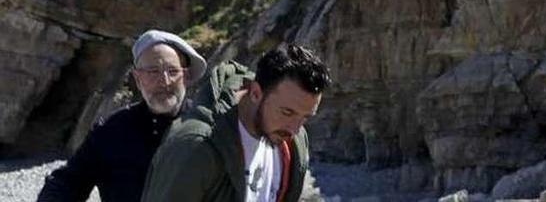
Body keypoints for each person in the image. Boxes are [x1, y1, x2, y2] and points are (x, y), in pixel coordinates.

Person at [141, 43, 332, 202]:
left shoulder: (293, 143)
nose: (295, 128)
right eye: (287, 112)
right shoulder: (195, 146)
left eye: (306, 116)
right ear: (256, 93)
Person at [37, 29, 207, 202]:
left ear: (185, 76)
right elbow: (67, 183)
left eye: (172, 71)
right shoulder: (113, 131)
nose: (164, 81)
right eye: (153, 71)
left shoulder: (210, 128)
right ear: (138, 79)